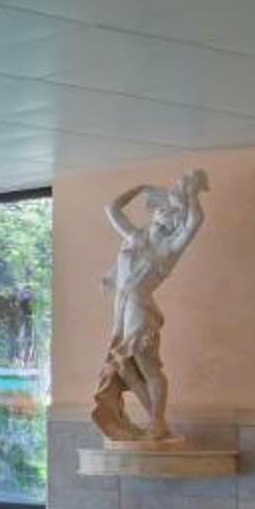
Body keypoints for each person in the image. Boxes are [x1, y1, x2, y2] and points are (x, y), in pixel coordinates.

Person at [90, 169, 209, 444]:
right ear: (153, 217)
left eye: (172, 221)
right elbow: (112, 208)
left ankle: (157, 421)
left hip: (140, 310)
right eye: (161, 217)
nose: (166, 222)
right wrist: (141, 187)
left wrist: (192, 195)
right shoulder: (135, 238)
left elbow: (195, 221)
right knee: (124, 368)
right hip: (122, 310)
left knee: (147, 366)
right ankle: (158, 422)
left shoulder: (170, 249)